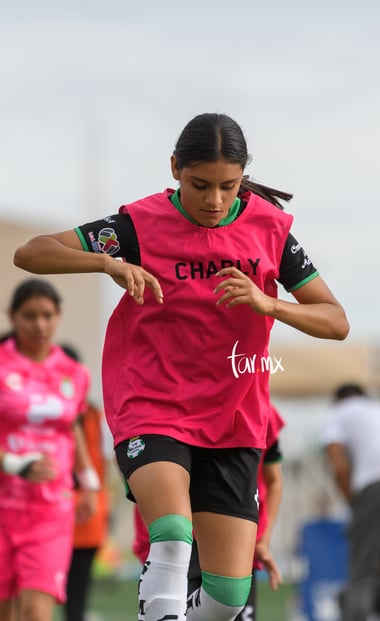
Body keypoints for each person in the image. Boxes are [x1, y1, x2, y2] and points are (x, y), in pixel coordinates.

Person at [13, 112, 349, 621]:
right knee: (171, 536)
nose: (214, 200)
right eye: (200, 185)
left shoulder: (270, 231)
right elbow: (31, 253)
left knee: (228, 600)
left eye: (228, 186)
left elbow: (335, 320)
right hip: (153, 405)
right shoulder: (137, 226)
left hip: (235, 419)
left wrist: (270, 303)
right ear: (174, 168)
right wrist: (108, 262)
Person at [0, 279, 100, 621]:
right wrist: (14, 464)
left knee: (35, 612)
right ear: (12, 316)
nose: (39, 324)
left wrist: (88, 482)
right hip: (3, 502)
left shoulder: (74, 373)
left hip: (51, 508)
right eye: (29, 316)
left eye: (47, 315)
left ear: (58, 316)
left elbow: (72, 425)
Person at [133, 404, 285, 621]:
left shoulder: (261, 410)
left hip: (234, 540)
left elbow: (275, 480)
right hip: (185, 539)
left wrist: (263, 540)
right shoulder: (165, 400)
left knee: (227, 602)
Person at [322, 383, 380, 621]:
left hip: (378, 482)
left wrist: (356, 506)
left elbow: (339, 466)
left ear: (338, 400)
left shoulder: (338, 412)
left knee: (363, 572)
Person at [60, 344, 112, 621]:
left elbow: (105, 465)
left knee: (73, 594)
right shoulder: (95, 416)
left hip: (83, 515)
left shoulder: (95, 418)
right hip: (69, 514)